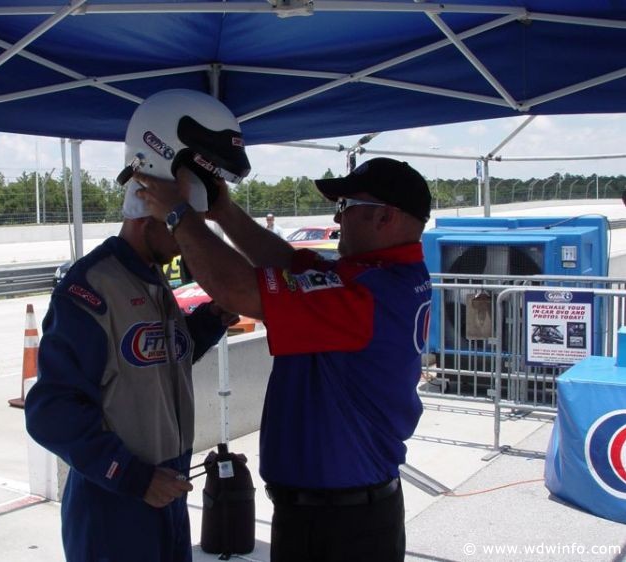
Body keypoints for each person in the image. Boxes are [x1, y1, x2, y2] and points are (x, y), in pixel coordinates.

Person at [136, 157, 433, 562]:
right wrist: (224, 210)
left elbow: (237, 290)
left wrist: (179, 214)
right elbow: (288, 262)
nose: (337, 217)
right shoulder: (379, 277)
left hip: (338, 528)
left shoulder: (366, 296)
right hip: (340, 513)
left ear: (385, 217)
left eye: (345, 207)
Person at [25, 88, 251, 562]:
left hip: (165, 489)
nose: (192, 237)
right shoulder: (90, 287)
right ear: (150, 206)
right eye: (183, 222)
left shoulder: (154, 280)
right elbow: (50, 409)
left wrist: (210, 318)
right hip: (115, 502)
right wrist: (131, 476)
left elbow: (160, 353)